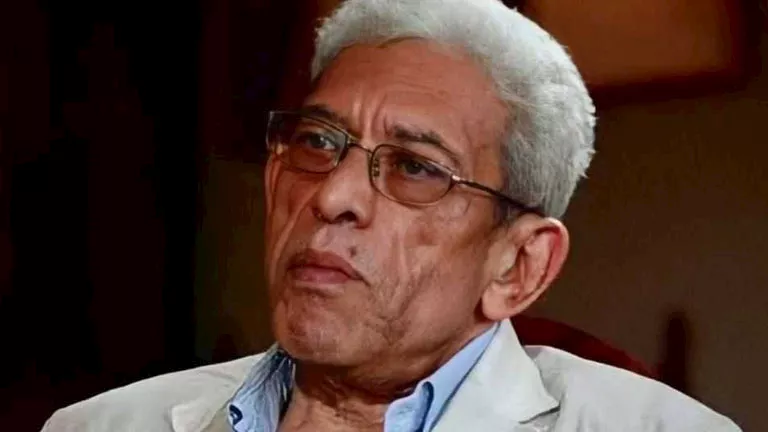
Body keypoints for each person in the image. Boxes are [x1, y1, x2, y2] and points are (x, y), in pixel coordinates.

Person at [42, 0, 741, 431]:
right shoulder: (98, 427)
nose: (332, 197)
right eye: (318, 142)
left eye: (414, 167)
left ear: (518, 267)